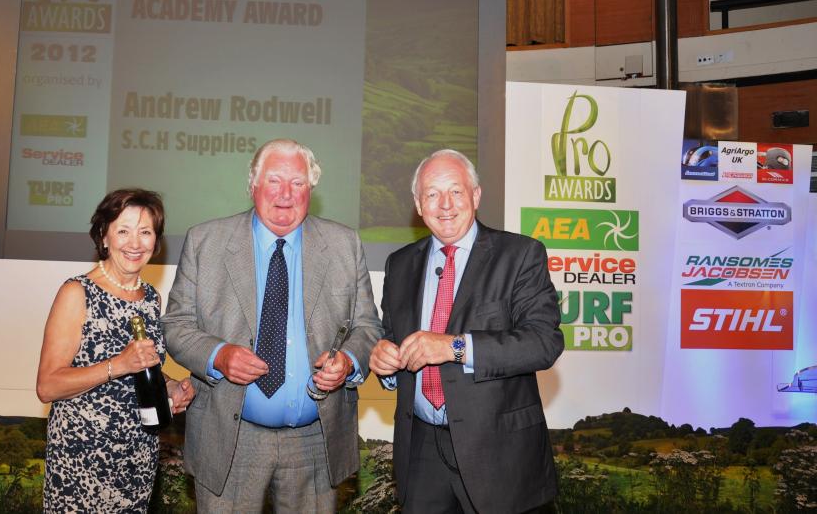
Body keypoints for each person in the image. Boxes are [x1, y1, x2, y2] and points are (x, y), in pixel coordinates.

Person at [162, 138, 383, 513]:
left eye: (297, 183)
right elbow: (176, 326)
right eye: (274, 181)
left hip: (315, 440)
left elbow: (367, 327)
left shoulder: (344, 244)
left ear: (311, 189)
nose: (285, 194)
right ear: (252, 185)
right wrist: (219, 355)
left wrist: (347, 361)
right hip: (230, 439)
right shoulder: (206, 241)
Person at [369, 149, 564, 513]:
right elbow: (392, 338)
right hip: (422, 454)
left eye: (456, 192)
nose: (445, 204)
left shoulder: (520, 255)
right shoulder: (400, 265)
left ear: (476, 195)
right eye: (432, 194)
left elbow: (543, 343)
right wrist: (385, 362)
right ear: (418, 203)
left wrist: (455, 347)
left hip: (500, 455)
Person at [37, 188, 196, 513]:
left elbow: (143, 366)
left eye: (145, 232)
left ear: (157, 240)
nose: (135, 243)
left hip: (137, 456)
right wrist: (118, 364)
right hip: (81, 459)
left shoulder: (151, 298)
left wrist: (168, 385)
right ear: (104, 236)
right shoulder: (77, 292)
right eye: (123, 230)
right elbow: (48, 385)